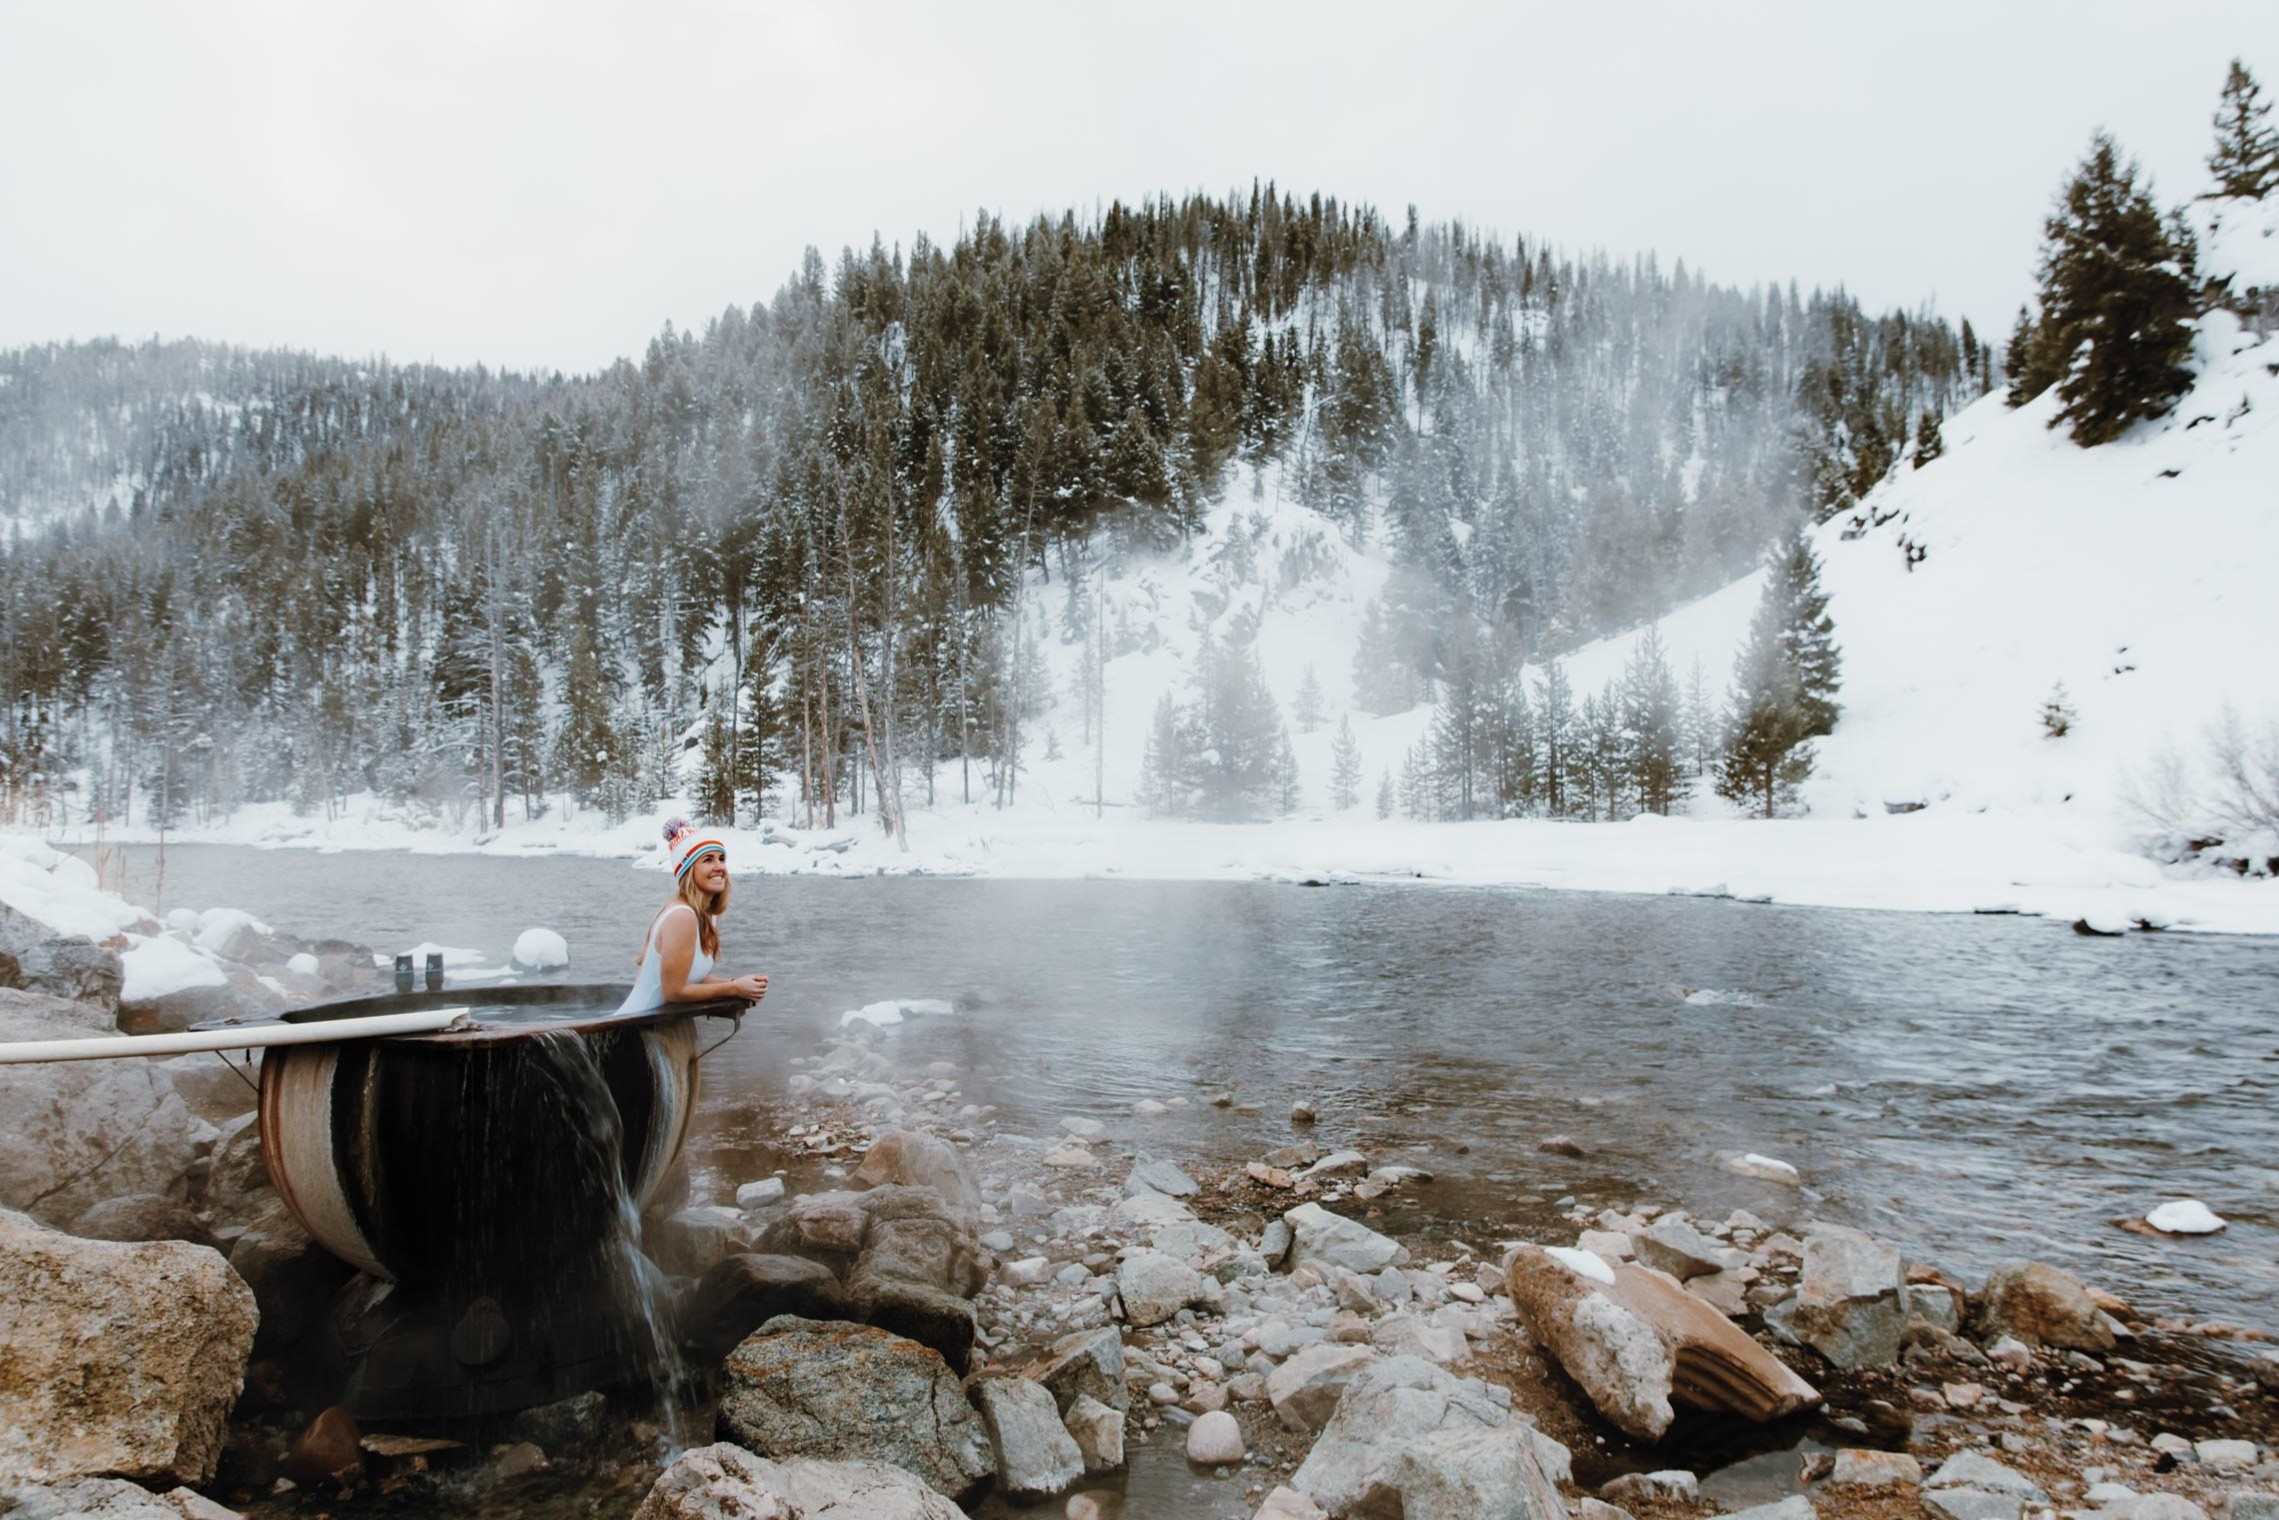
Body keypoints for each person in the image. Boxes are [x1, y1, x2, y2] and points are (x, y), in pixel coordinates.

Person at [616, 818, 770, 1015]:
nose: (719, 867)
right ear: (688, 871)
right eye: (707, 860)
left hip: (659, 1025)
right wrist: (733, 989)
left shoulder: (705, 914)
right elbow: (674, 991)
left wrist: (739, 984)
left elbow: (692, 977)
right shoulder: (682, 917)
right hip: (634, 1027)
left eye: (721, 859)